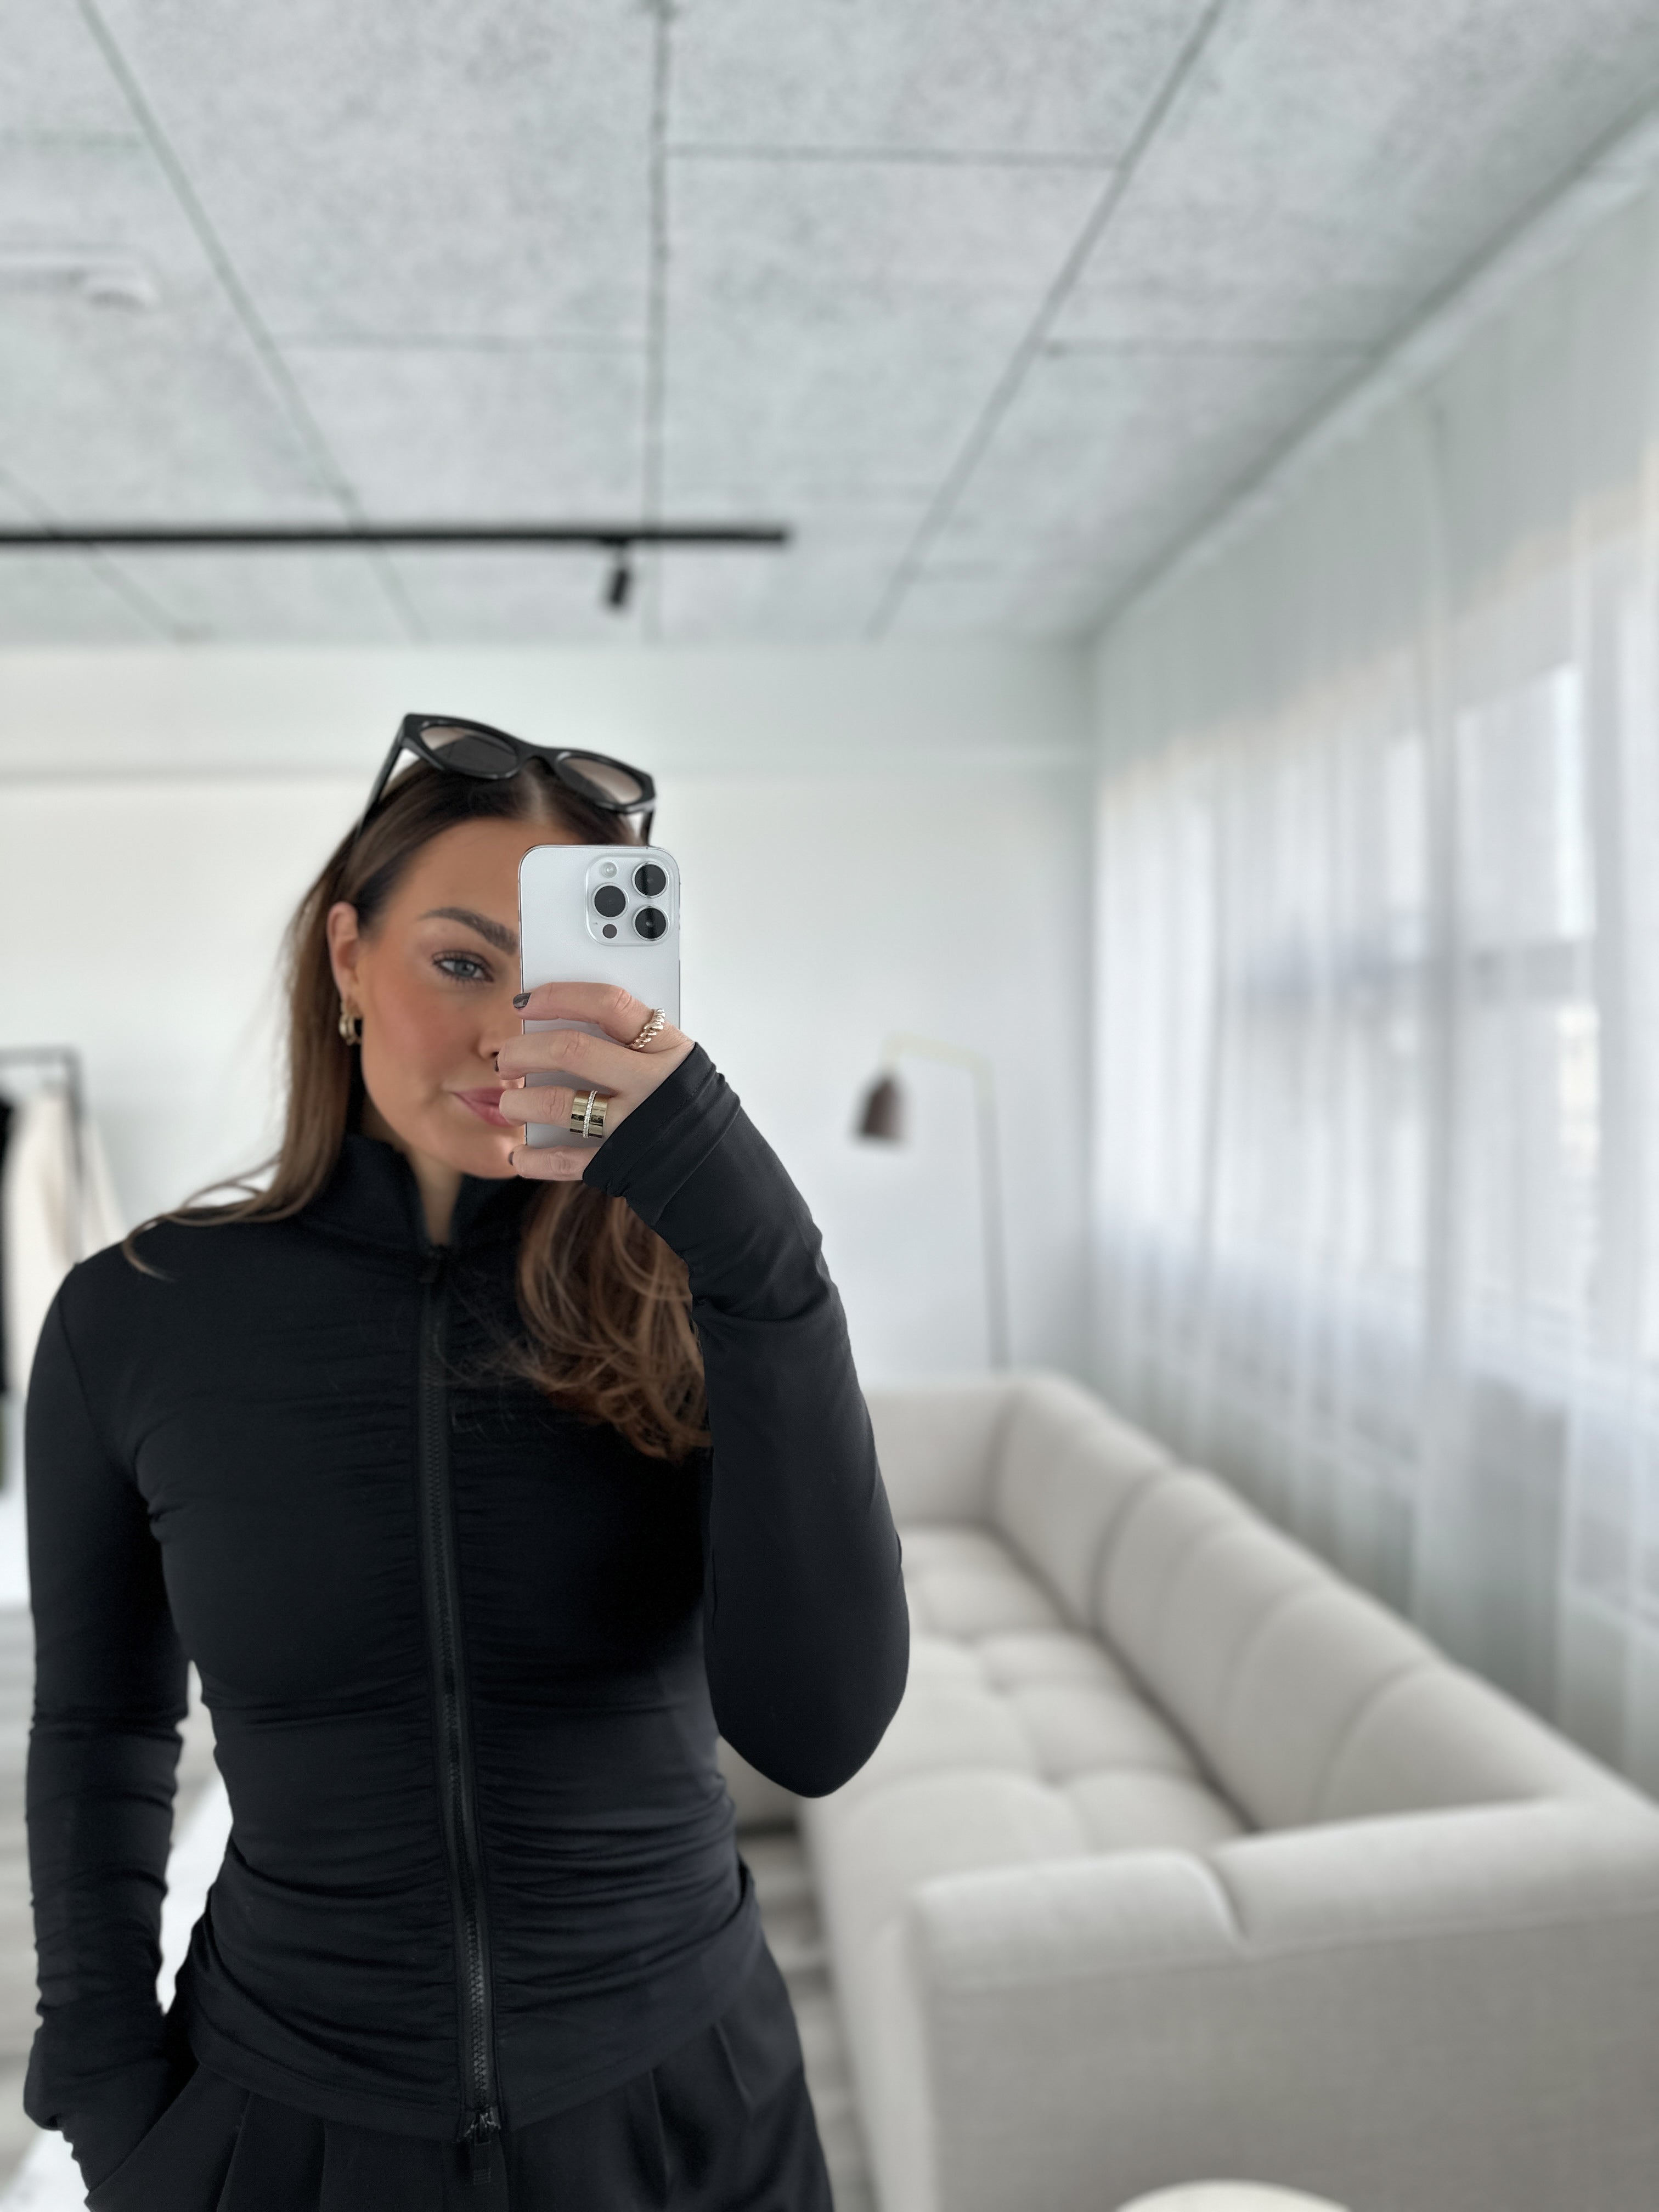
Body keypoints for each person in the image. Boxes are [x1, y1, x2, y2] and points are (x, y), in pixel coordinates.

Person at [24, 718, 909, 2211]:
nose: (511, 1030)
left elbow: (818, 1732)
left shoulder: (705, 1299)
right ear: (348, 957)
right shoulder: (135, 1318)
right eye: (459, 961)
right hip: (288, 2122)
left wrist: (767, 1261)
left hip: (688, 2117)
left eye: (559, 977)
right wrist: (114, 2104)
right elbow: (101, 1728)